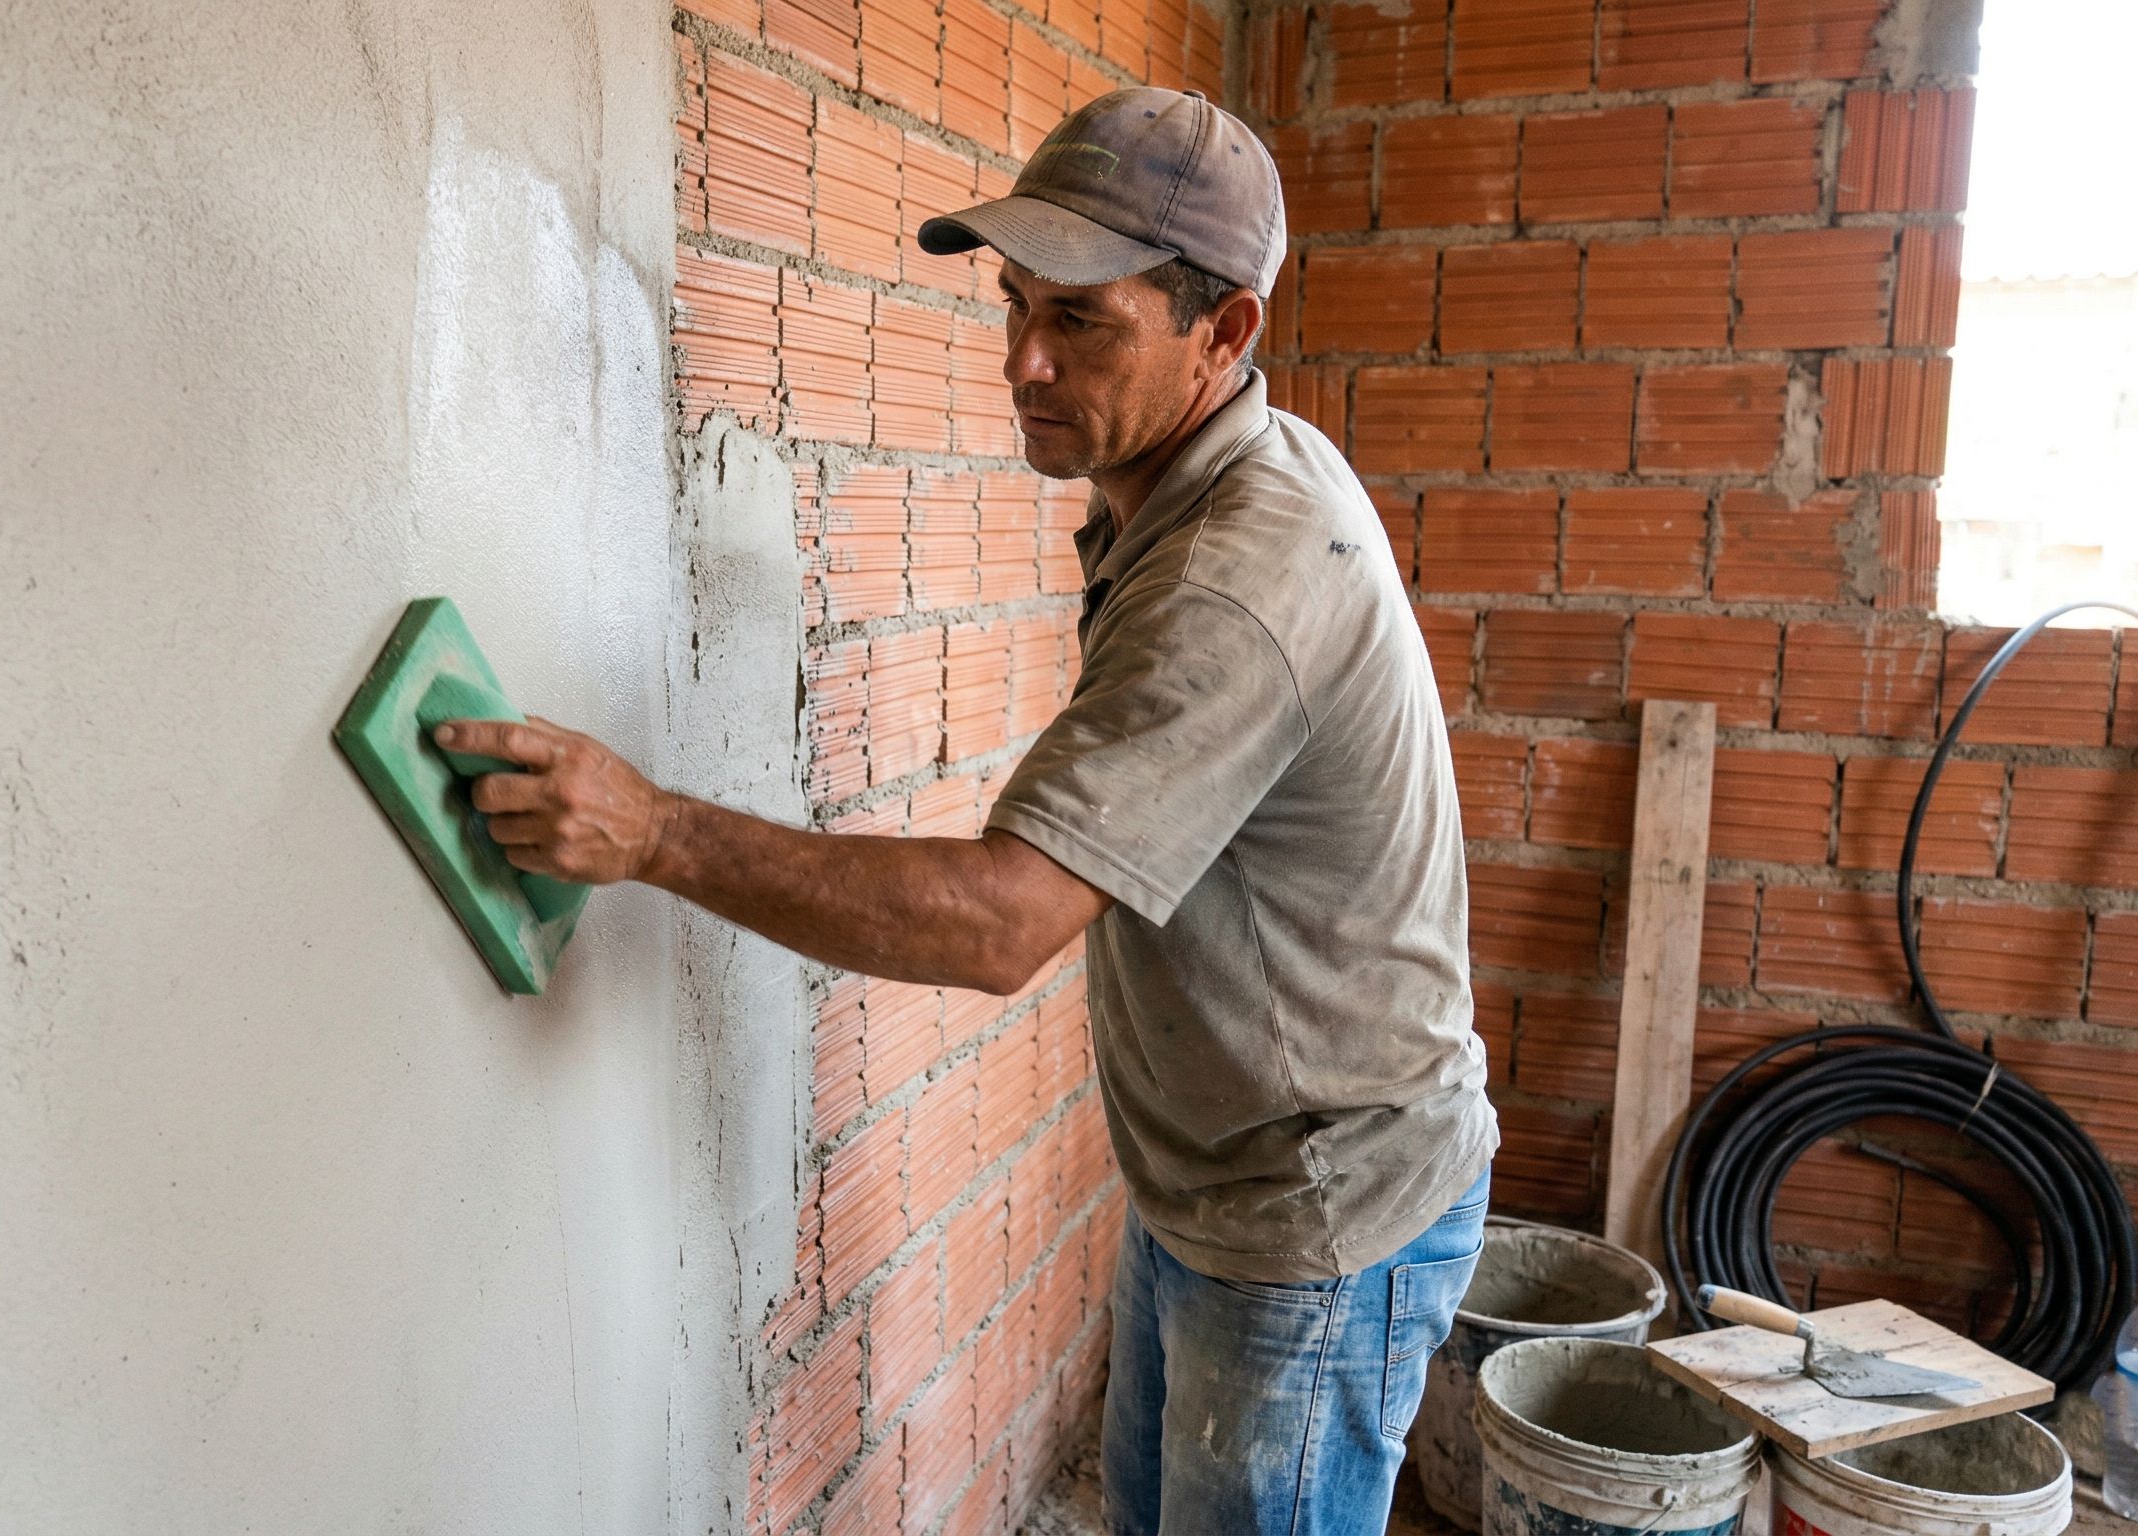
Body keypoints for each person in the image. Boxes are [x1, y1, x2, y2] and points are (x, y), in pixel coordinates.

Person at [435, 86, 1496, 1535]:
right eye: (1014, 304)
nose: (1025, 361)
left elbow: (1004, 923)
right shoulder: (1182, 478)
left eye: (1083, 323)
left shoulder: (1235, 581)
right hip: (1219, 1186)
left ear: (1225, 330)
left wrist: (655, 832)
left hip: (1320, 1223)